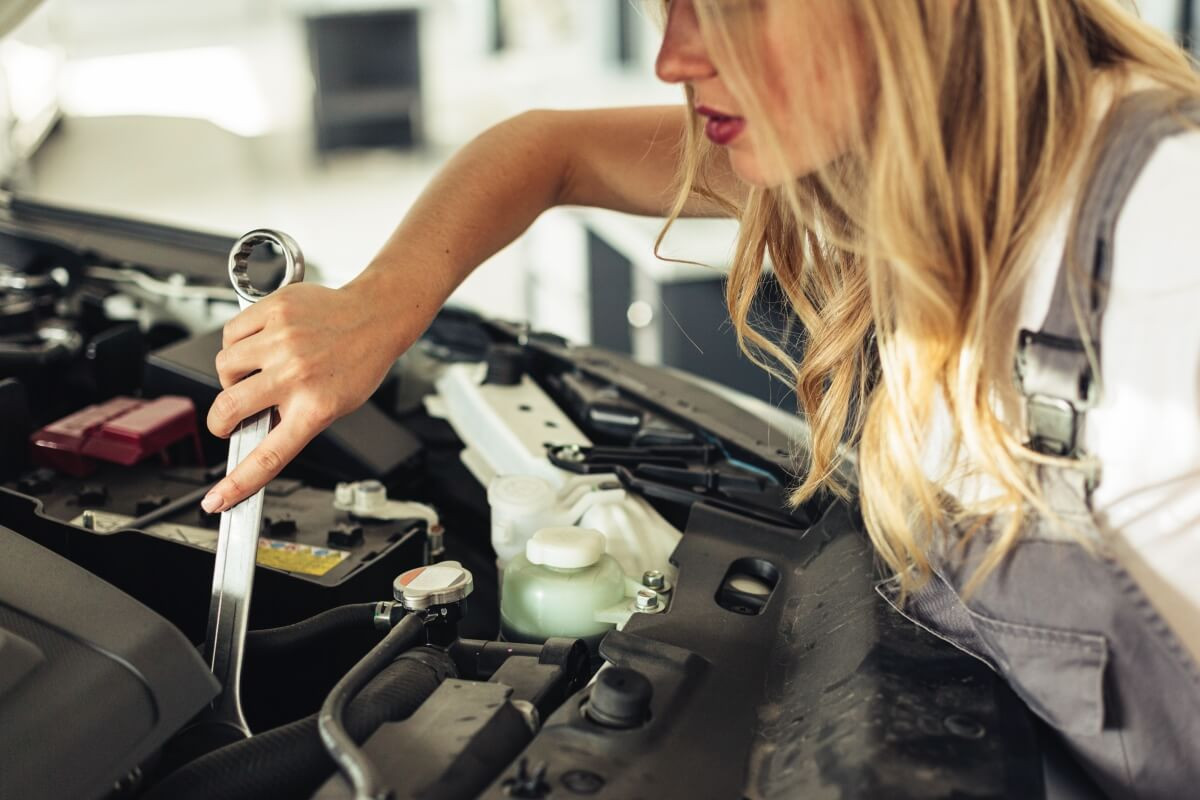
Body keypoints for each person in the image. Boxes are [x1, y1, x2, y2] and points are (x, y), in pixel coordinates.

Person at [203, 1, 1200, 793]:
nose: (674, 57)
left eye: (730, 3)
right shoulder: (896, 154)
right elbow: (550, 147)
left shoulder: (1168, 238)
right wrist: (384, 301)